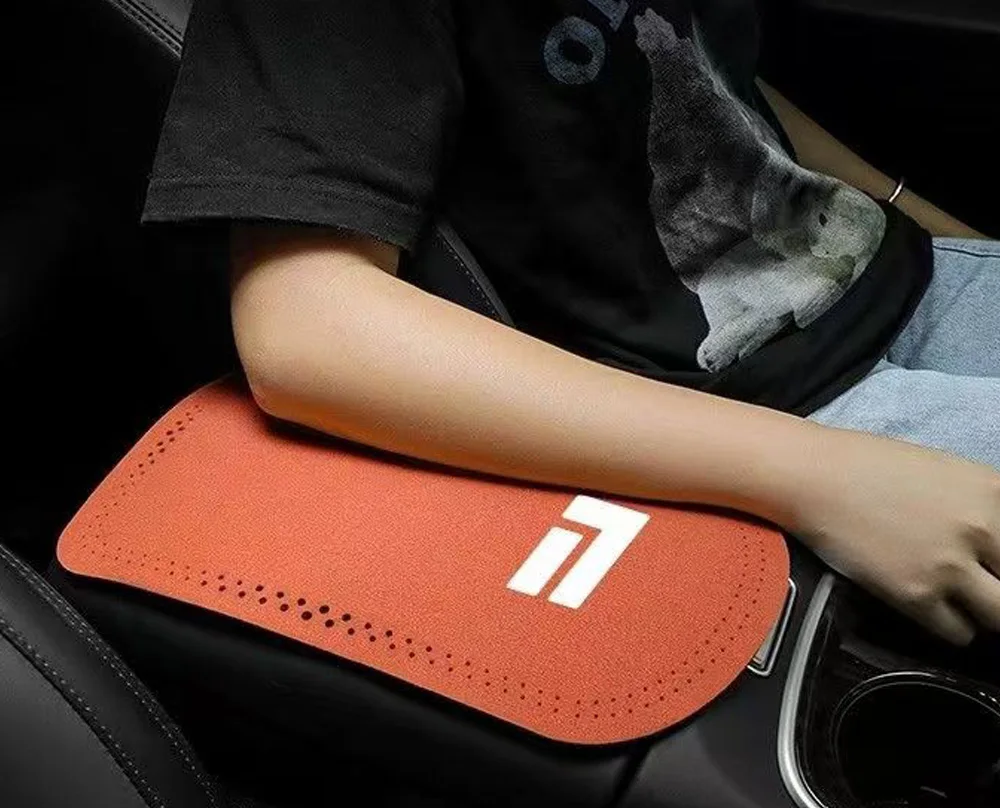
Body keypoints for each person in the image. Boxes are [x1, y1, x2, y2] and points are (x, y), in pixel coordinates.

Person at [145, 0, 1000, 645]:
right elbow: (308, 326)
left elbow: (718, 86)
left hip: (904, 275)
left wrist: (946, 236)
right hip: (764, 410)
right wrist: (824, 476)